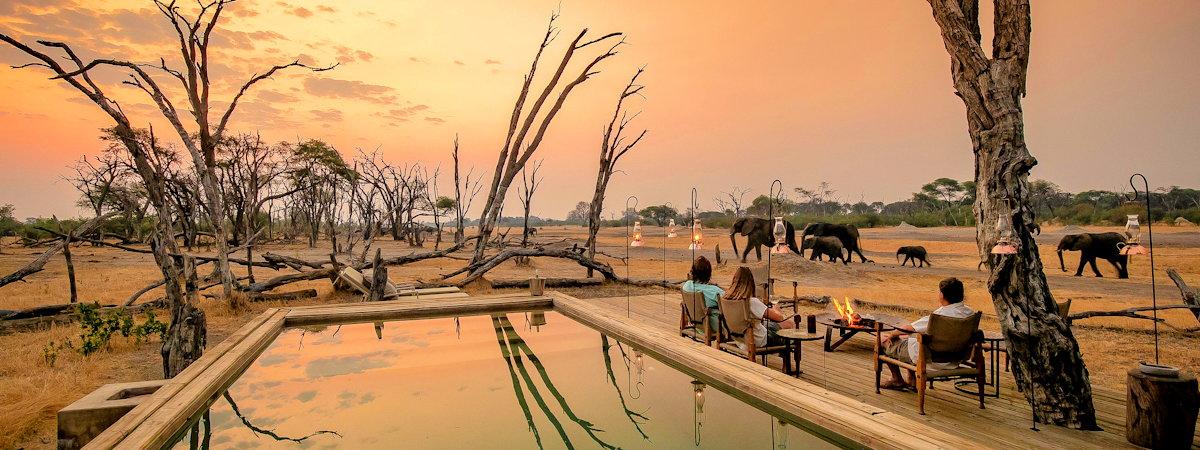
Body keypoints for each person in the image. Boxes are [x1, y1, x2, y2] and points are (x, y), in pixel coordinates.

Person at [878, 277, 974, 390]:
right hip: (955, 359)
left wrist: (892, 334)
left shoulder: (940, 315)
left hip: (930, 359)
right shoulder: (970, 313)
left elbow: (909, 328)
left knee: (882, 338)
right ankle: (912, 379)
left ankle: (897, 379)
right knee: (912, 339)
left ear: (942, 295)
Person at [723, 266, 795, 350]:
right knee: (789, 324)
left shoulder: (725, 299)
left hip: (739, 340)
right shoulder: (751, 302)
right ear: (750, 283)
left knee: (771, 325)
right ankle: (786, 355)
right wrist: (776, 308)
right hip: (756, 340)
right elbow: (779, 318)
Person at [681, 256, 723, 331]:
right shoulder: (715, 291)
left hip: (697, 324)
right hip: (713, 326)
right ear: (709, 274)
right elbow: (729, 303)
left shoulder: (687, 286)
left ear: (693, 272)